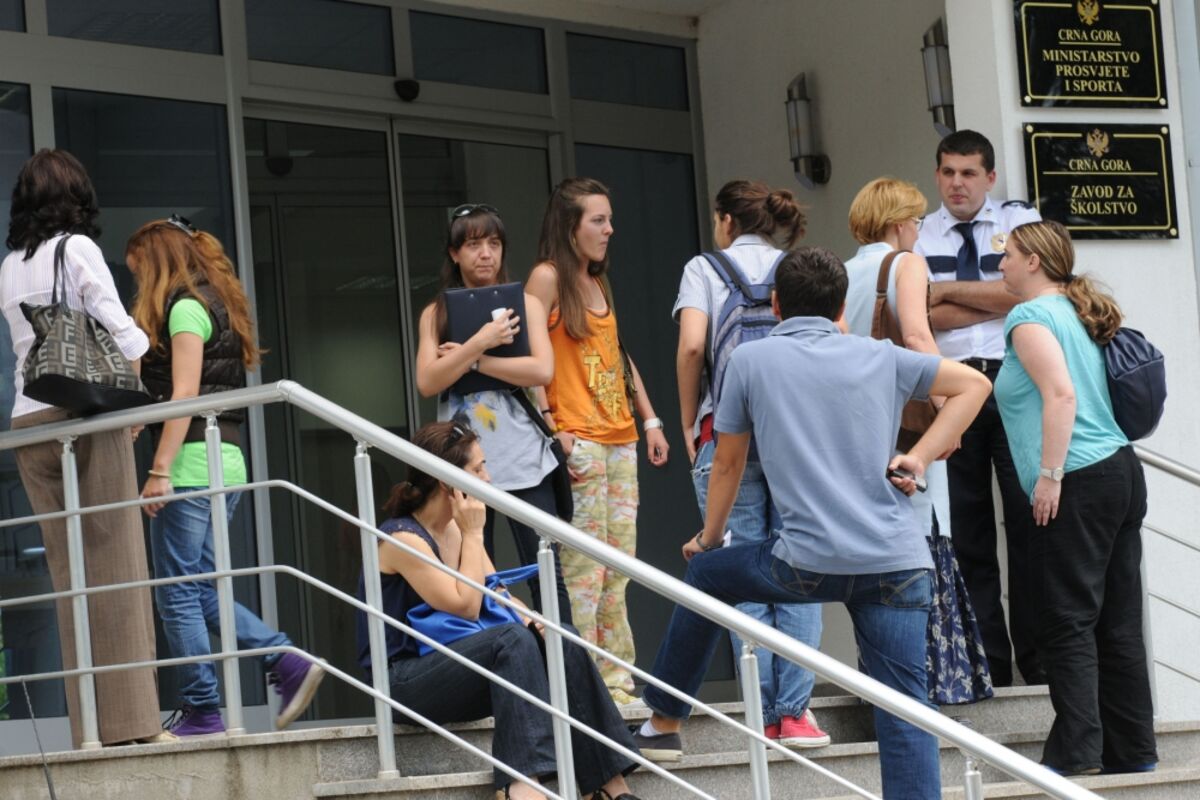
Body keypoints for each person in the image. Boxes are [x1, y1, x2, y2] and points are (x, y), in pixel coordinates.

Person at [632, 247, 991, 800]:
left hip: (806, 563)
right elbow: (975, 386)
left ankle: (664, 722)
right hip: (898, 562)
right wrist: (919, 457)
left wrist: (709, 539)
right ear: (840, 306)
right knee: (905, 709)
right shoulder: (882, 356)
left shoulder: (749, 362)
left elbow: (727, 464)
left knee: (707, 574)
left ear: (776, 304)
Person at [356, 421, 641, 800]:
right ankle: (520, 786)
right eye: (477, 470)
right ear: (448, 483)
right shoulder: (401, 539)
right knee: (511, 639)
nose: (488, 479)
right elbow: (467, 606)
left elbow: (497, 594)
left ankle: (608, 787)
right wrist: (475, 533)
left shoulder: (454, 529)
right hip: (404, 683)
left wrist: (534, 621)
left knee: (560, 638)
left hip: (458, 667)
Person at [0, 149, 172, 748]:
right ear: (76, 195)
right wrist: (132, 401)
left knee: (70, 577)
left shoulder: (9, 265)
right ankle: (135, 727)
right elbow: (126, 335)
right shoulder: (75, 248)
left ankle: (89, 730)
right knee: (116, 567)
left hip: (30, 424)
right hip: (85, 414)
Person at [128, 216, 325, 735]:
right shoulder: (210, 302)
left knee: (176, 593)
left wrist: (159, 469)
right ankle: (282, 659)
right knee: (200, 589)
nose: (138, 282)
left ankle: (204, 708)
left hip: (191, 462)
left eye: (138, 270)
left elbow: (186, 395)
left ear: (157, 263)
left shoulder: (185, 308)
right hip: (224, 458)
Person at [993, 220, 1156, 775]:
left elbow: (1060, 396)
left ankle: (1076, 751)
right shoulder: (1078, 311)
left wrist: (1049, 475)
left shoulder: (1029, 317)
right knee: (1117, 621)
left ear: (1033, 262)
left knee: (1066, 618)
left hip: (1078, 477)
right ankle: (1133, 751)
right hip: (1119, 472)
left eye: (1009, 254)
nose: (1002, 264)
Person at [673, 179, 826, 745]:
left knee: (741, 569)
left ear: (725, 220)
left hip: (727, 432)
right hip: (794, 435)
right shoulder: (795, 268)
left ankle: (762, 714)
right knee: (800, 568)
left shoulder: (704, 268)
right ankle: (796, 713)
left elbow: (693, 346)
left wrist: (688, 422)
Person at [843, 177, 992, 705]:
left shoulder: (844, 272)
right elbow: (916, 336)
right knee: (925, 545)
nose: (919, 229)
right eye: (916, 219)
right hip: (908, 428)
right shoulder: (905, 263)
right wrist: (950, 405)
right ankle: (932, 684)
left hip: (864, 429)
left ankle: (886, 683)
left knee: (881, 558)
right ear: (899, 222)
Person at [526, 177, 669, 706]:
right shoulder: (546, 278)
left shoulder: (596, 282)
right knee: (583, 570)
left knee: (618, 567)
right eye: (598, 220)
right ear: (570, 226)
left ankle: (615, 682)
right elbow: (529, 356)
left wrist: (650, 420)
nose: (610, 230)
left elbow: (618, 356)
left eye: (609, 220)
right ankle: (581, 684)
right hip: (580, 440)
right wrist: (551, 427)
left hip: (620, 437)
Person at [915, 129, 1045, 688]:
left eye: (968, 173)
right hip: (953, 393)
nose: (957, 183)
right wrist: (996, 297)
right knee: (968, 533)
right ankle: (990, 663)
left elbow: (1032, 293)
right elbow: (921, 315)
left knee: (1028, 523)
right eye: (948, 172)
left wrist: (947, 290)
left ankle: (1038, 662)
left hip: (1014, 383)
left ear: (989, 177)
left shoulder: (1019, 222)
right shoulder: (920, 233)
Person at [413, 203, 571, 623]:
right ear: (454, 254)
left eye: (494, 244)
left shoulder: (527, 303)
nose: (485, 254)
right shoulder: (436, 313)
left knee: (546, 575)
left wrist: (474, 361)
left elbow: (542, 369)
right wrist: (480, 342)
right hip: (464, 462)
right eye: (473, 245)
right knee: (476, 575)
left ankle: (567, 664)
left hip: (525, 457)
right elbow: (427, 380)